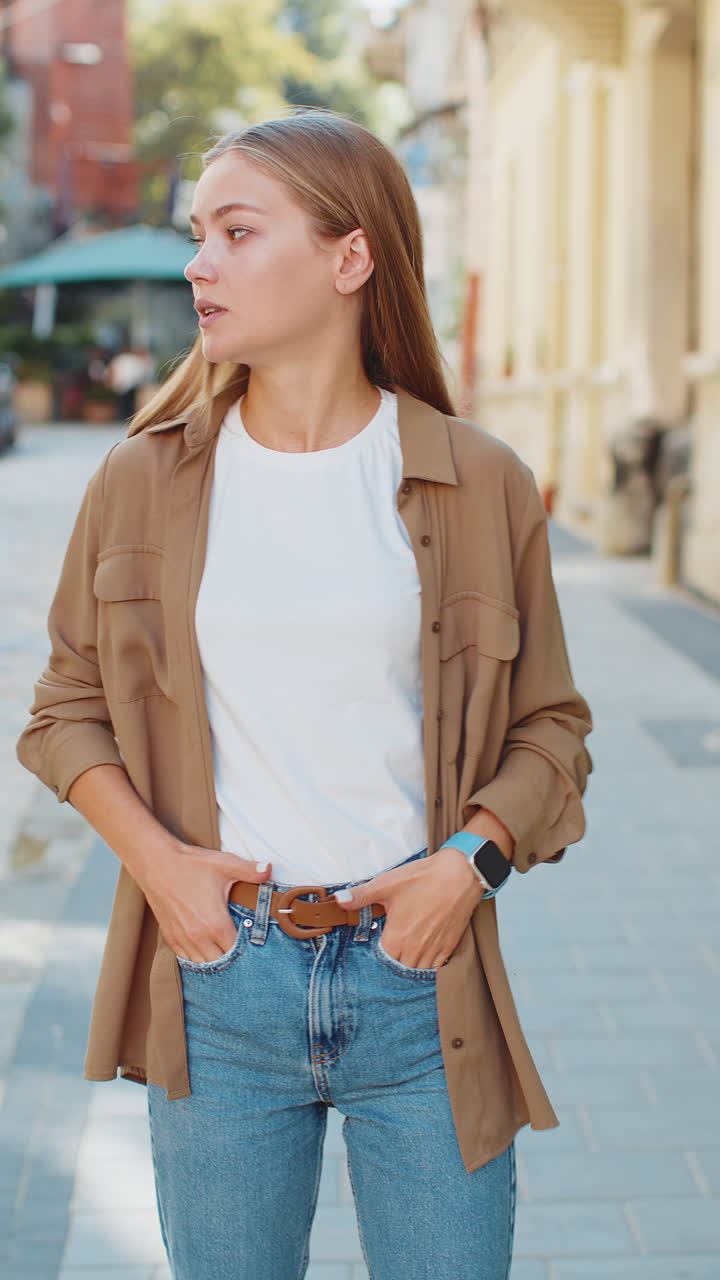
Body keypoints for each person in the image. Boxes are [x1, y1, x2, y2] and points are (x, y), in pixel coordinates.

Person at [16, 108, 593, 1280]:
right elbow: (60, 708)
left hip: (422, 983)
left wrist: (465, 865)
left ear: (350, 257)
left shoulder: (478, 480)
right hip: (221, 981)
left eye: (236, 230)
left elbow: (554, 728)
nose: (198, 263)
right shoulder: (142, 475)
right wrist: (164, 871)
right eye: (198, 234)